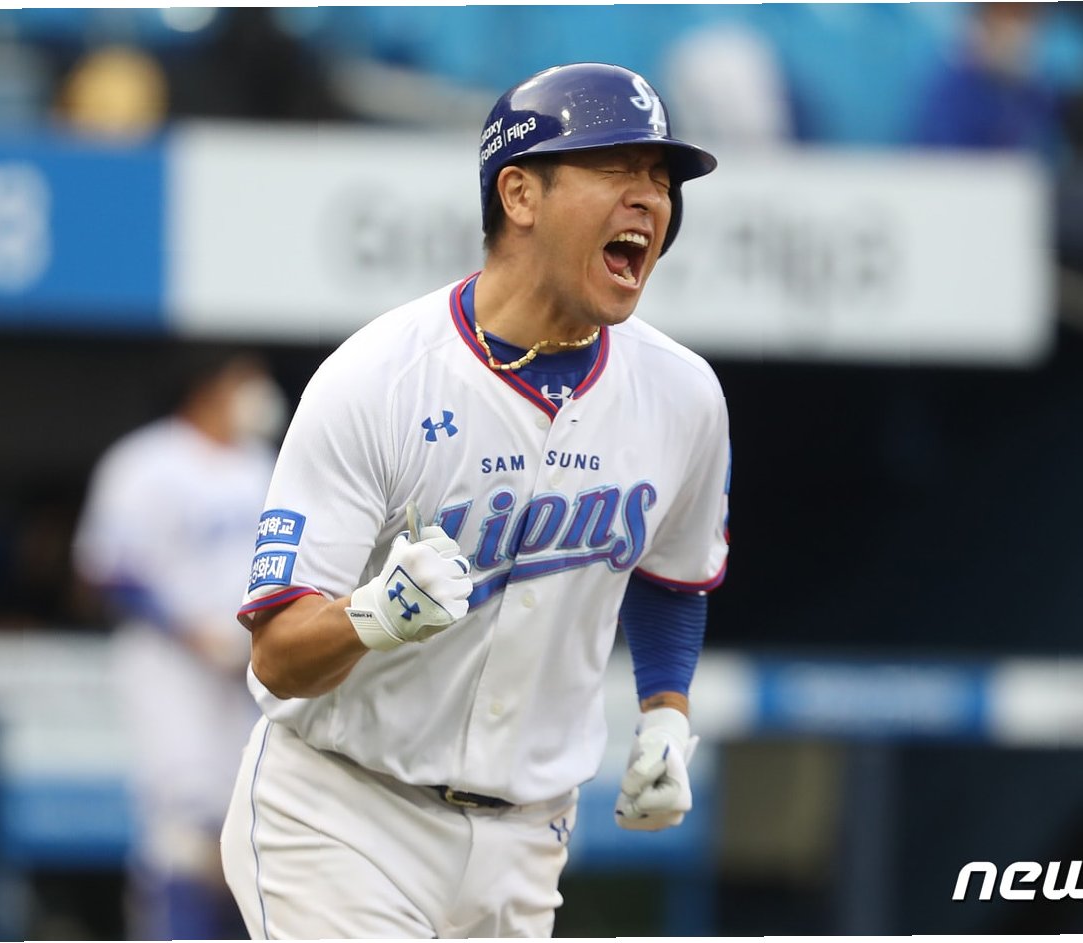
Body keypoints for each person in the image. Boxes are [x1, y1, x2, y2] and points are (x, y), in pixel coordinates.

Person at [220, 62, 731, 939]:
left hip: (527, 844)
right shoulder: (378, 377)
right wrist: (372, 616)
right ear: (520, 193)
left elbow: (673, 574)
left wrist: (664, 715)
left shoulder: (683, 395)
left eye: (661, 178)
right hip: (343, 817)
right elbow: (277, 654)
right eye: (617, 167)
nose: (649, 198)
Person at [73, 350, 286, 941]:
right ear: (207, 387)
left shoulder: (263, 464)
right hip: (168, 664)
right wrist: (186, 628)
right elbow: (105, 568)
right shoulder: (146, 461)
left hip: (248, 670)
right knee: (182, 827)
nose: (258, 393)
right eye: (245, 381)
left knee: (252, 825)